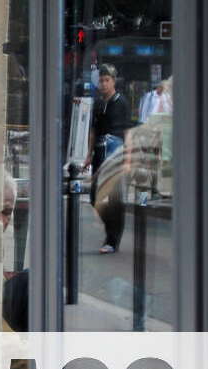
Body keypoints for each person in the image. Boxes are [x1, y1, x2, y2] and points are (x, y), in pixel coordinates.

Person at [84, 64, 130, 254]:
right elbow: (93, 131)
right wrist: (88, 155)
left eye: (107, 80)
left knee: (114, 198)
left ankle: (112, 239)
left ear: (113, 81)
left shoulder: (122, 103)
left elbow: (127, 130)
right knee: (95, 196)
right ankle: (111, 231)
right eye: (101, 80)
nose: (103, 84)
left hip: (116, 153)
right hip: (99, 154)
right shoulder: (98, 104)